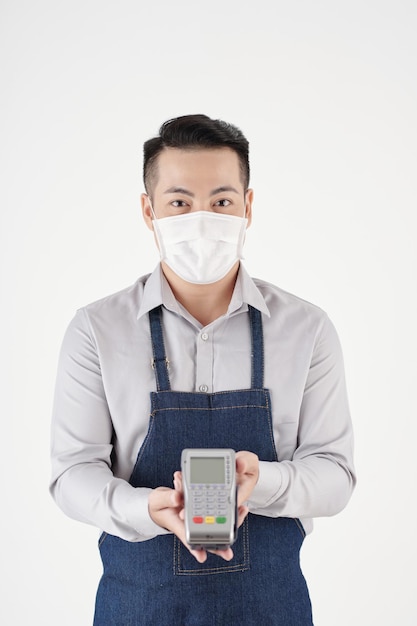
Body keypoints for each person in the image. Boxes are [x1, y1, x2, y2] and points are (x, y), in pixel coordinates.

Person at [50, 114, 356, 625]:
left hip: (271, 609)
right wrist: (145, 508)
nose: (201, 219)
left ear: (248, 206)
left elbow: (336, 474)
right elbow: (71, 475)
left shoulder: (307, 328)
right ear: (149, 212)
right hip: (137, 607)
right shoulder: (95, 330)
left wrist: (262, 481)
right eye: (179, 203)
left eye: (220, 202)